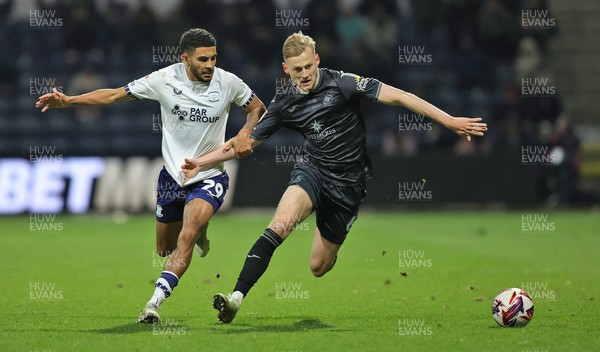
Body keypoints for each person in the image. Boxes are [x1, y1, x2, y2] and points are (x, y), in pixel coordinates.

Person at [180, 31, 487, 324]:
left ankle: (330, 251)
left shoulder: (344, 83)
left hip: (348, 186)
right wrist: (200, 162)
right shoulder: (284, 101)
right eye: (297, 69)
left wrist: (450, 121)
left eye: (309, 66)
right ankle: (236, 298)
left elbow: (401, 97)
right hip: (312, 171)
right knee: (280, 225)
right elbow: (242, 144)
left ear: (318, 59)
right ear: (286, 69)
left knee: (318, 267)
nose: (304, 74)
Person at [35, 28, 266, 323]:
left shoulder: (228, 82)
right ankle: (198, 228)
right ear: (185, 59)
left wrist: (246, 131)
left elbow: (257, 107)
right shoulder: (164, 79)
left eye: (214, 58)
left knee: (187, 235)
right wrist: (70, 101)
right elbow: (115, 95)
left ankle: (153, 303)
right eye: (203, 59)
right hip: (172, 177)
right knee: (163, 248)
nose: (210, 65)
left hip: (209, 174)